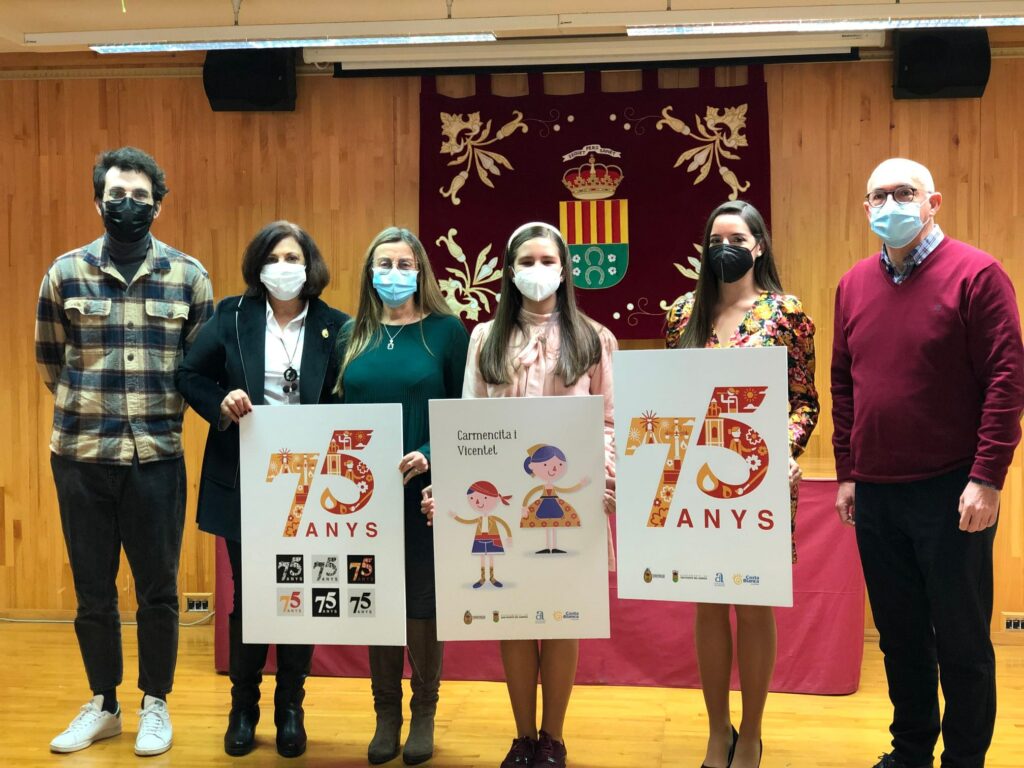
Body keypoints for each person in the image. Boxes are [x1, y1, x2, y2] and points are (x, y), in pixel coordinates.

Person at [832, 158, 1024, 768]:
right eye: (878, 196)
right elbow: (843, 384)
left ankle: (964, 759)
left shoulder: (978, 275)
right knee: (900, 638)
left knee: (962, 641)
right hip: (876, 492)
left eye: (904, 192)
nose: (890, 204)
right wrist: (847, 472)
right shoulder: (852, 284)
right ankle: (910, 750)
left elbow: (1006, 382)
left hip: (953, 490)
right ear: (865, 208)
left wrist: (987, 478)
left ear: (933, 202)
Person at [34, 147, 213, 756]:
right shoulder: (65, 274)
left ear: (158, 205)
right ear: (98, 201)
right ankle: (104, 703)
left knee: (158, 589)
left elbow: (196, 368)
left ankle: (155, 703)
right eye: (117, 195)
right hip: (80, 457)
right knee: (93, 590)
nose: (127, 205)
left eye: (140, 196)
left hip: (156, 457)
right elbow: (50, 361)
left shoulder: (189, 277)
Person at [175, 220, 348, 757]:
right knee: (251, 594)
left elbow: (349, 397)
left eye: (293, 257)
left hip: (312, 486)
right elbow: (189, 375)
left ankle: (290, 706)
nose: (283, 267)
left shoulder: (336, 326)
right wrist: (221, 402)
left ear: (310, 266)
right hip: (244, 477)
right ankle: (243, 706)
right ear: (258, 265)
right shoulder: (231, 316)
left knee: (299, 592)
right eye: (273, 258)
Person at [665, 200, 818, 768]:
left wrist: (784, 451)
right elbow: (672, 398)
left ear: (759, 246)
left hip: (760, 482)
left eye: (736, 239)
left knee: (753, 605)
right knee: (707, 603)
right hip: (696, 482)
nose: (724, 249)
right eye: (715, 240)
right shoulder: (682, 314)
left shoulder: (785, 313)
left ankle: (751, 733)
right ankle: (717, 730)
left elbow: (804, 401)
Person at [460, 221, 618, 768]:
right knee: (516, 617)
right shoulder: (484, 338)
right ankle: (522, 735)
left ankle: (553, 737)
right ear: (509, 271)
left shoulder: (593, 338)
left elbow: (610, 421)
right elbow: (469, 423)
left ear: (565, 269)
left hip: (570, 504)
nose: (537, 270)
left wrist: (606, 472)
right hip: (505, 503)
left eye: (547, 260)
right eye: (526, 261)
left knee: (561, 619)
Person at [335, 226, 469, 766]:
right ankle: (385, 713)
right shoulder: (351, 334)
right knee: (378, 600)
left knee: (423, 604)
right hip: (362, 497)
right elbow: (333, 413)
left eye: (404, 264)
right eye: (384, 264)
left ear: (421, 272)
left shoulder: (447, 332)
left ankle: (424, 711)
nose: (394, 274)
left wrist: (431, 453)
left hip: (424, 493)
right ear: (370, 273)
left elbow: (462, 410)